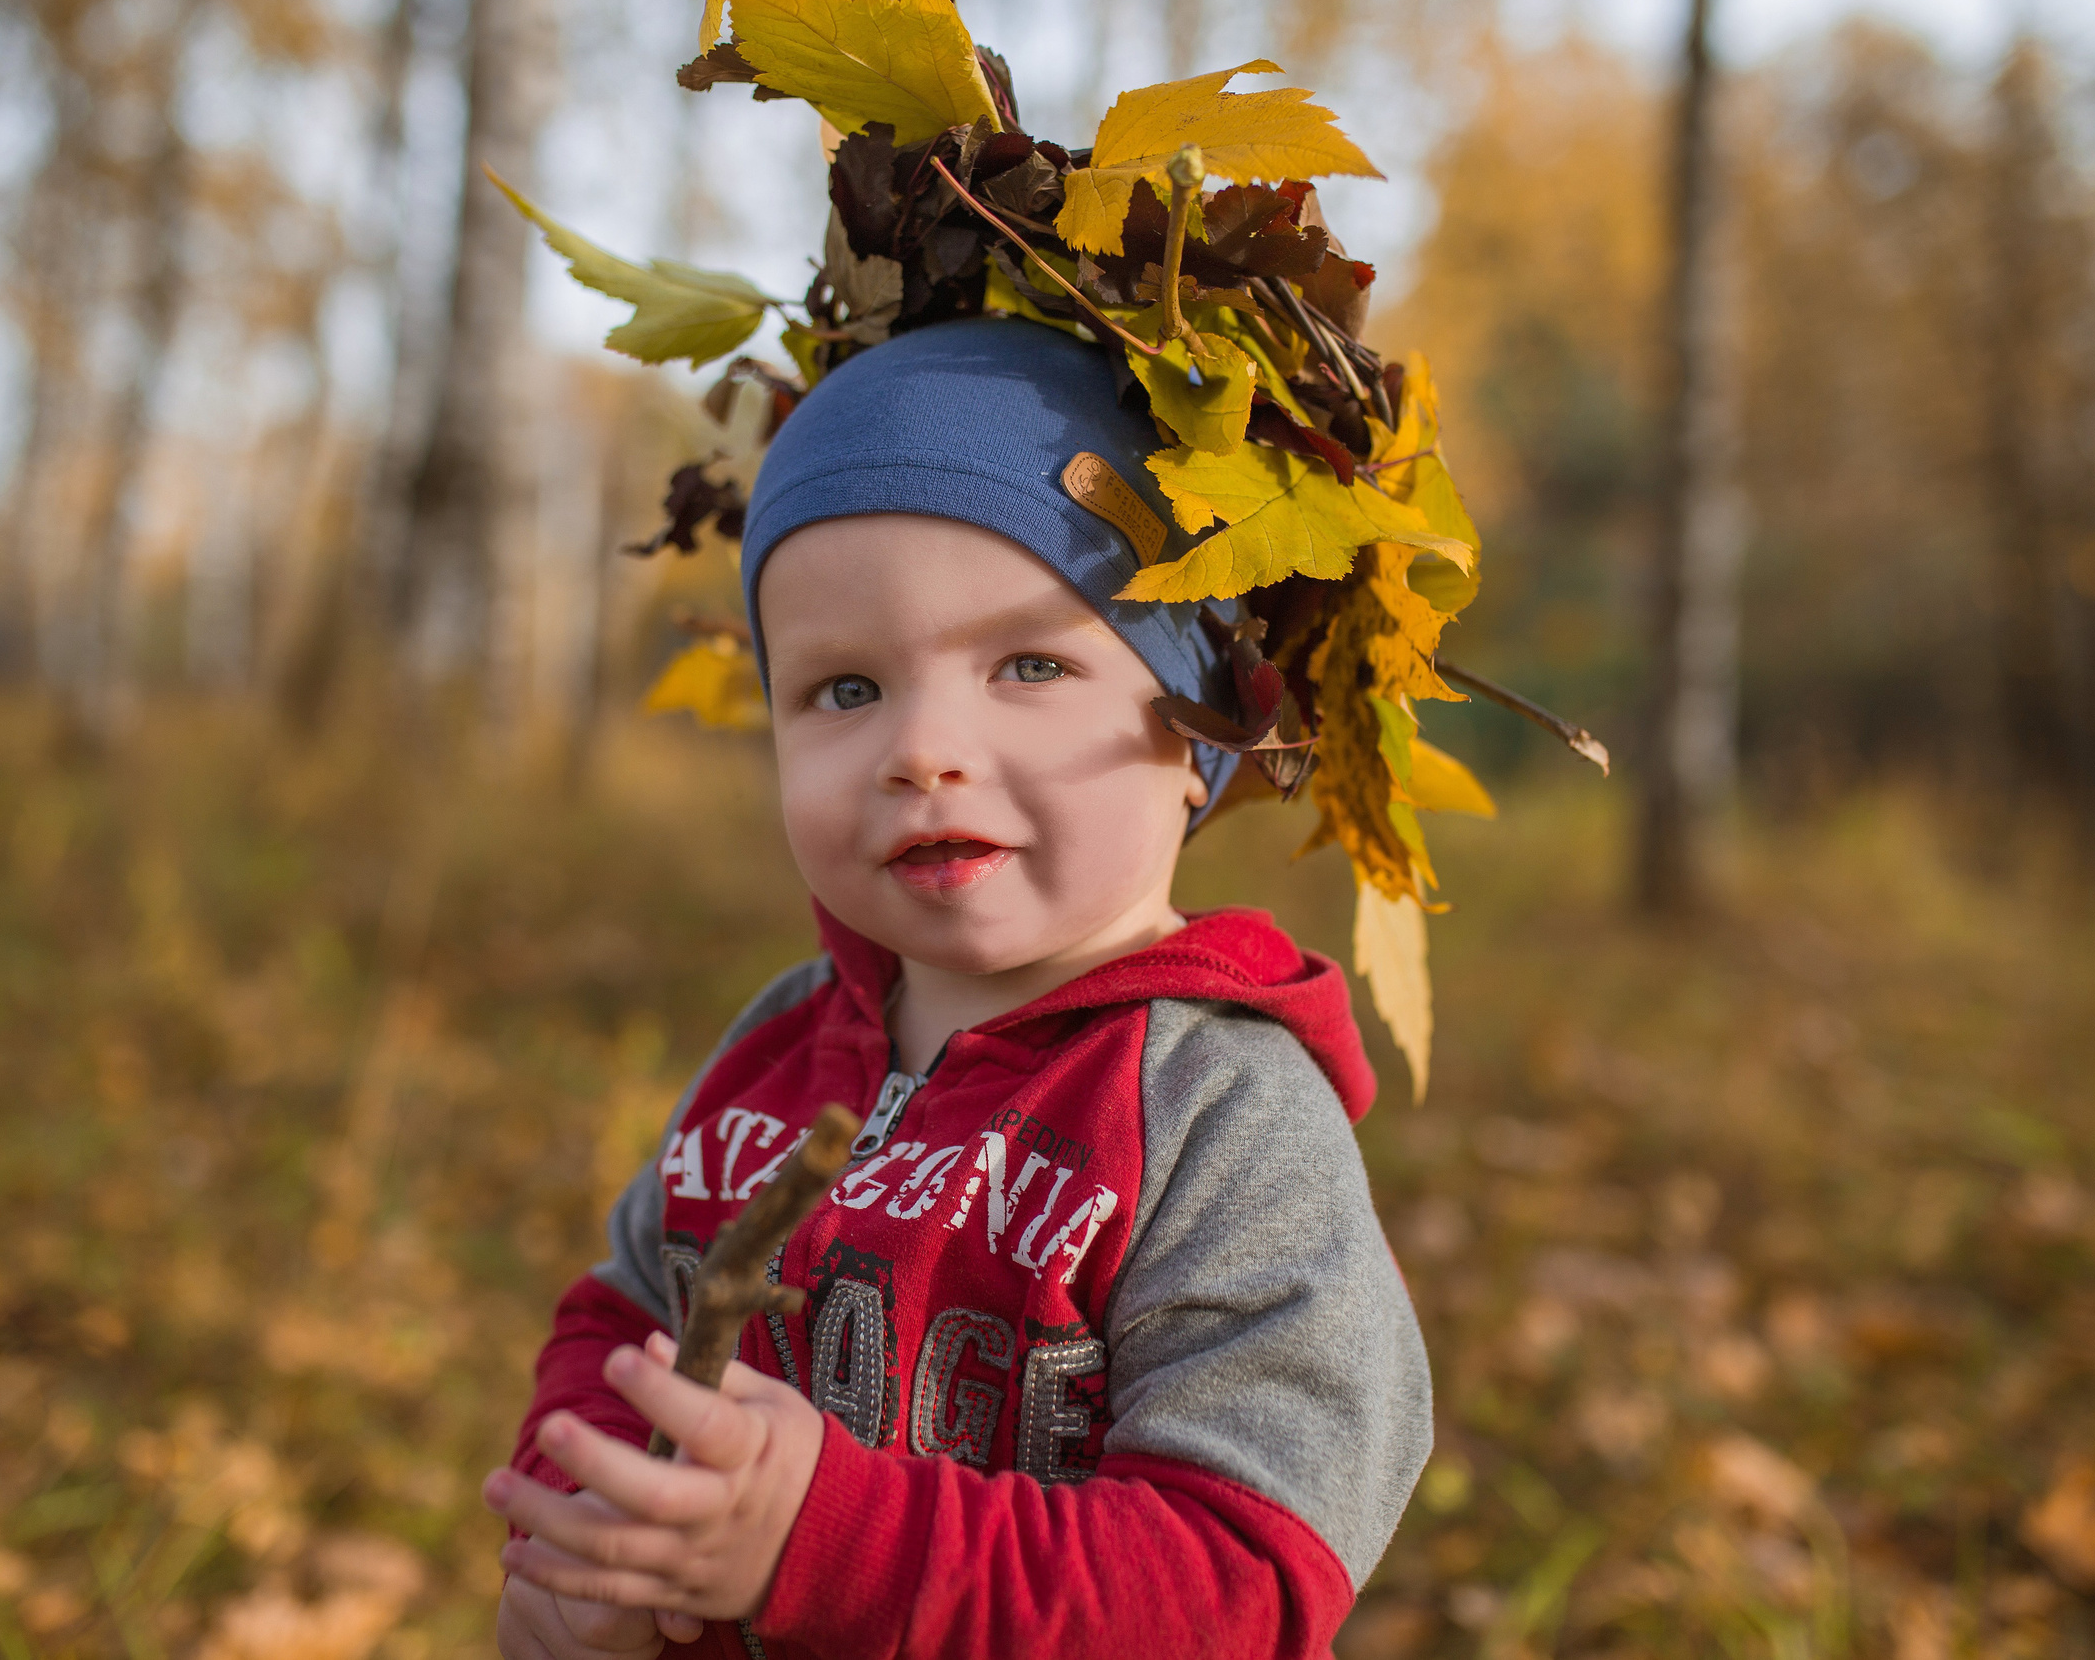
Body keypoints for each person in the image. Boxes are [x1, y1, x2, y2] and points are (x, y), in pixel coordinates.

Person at [478, 316, 1434, 1660]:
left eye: (1029, 665)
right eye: (843, 688)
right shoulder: (783, 1043)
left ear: (1197, 730)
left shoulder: (1218, 1111)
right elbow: (626, 1315)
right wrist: (595, 1528)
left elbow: (1238, 1578)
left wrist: (824, 1544)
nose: (921, 749)